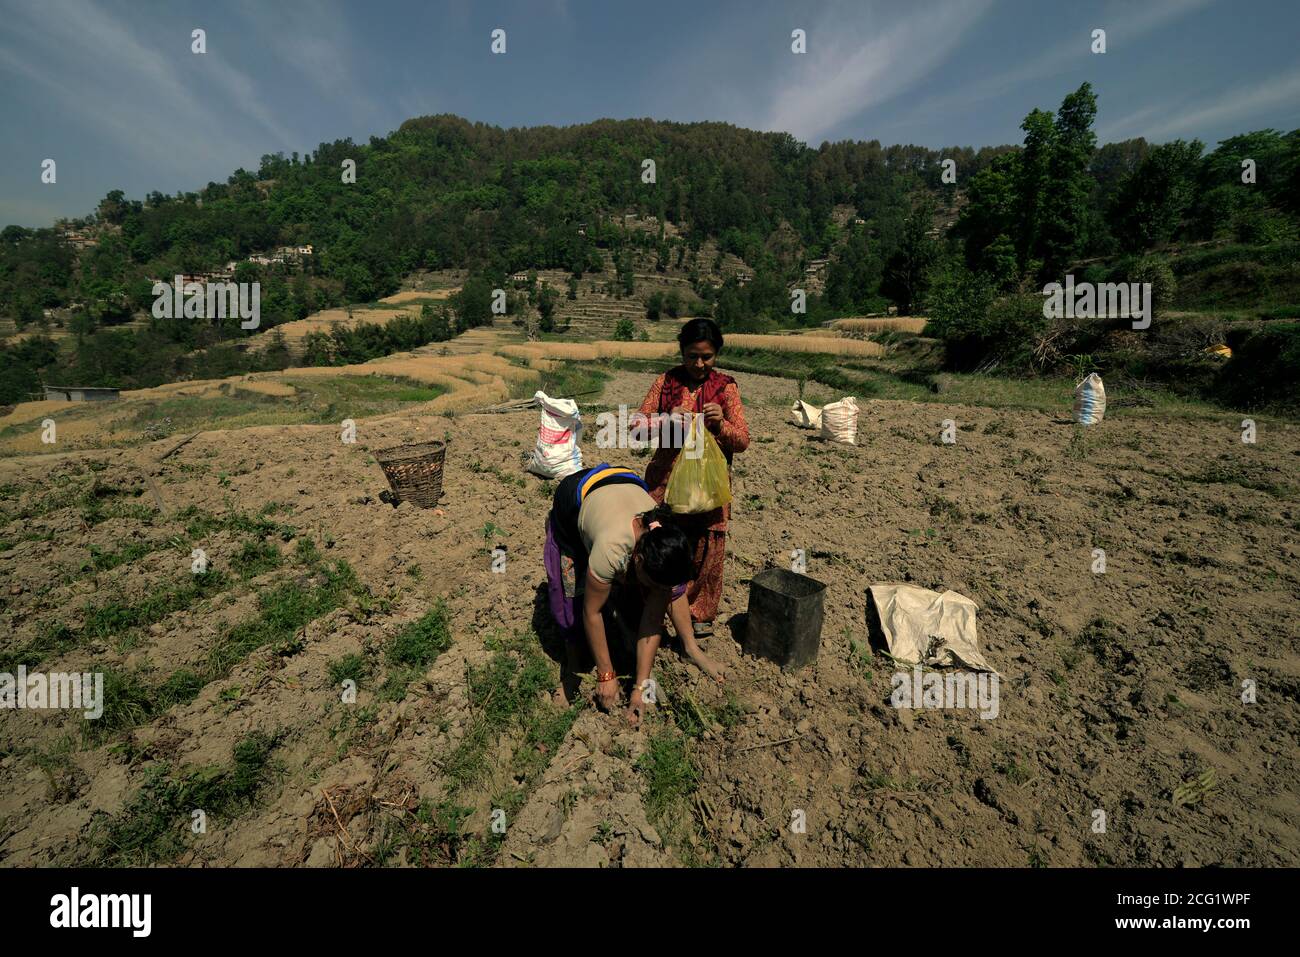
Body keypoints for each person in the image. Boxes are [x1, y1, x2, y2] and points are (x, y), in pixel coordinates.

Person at [543, 462, 724, 726]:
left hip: (623, 480)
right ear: (636, 559)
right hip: (574, 500)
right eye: (652, 584)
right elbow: (591, 613)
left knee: (665, 588)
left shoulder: (663, 536)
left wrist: (639, 690)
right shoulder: (612, 550)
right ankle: (572, 668)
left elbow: (653, 621)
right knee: (570, 599)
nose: (660, 593)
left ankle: (690, 647)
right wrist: (605, 673)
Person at [636, 318, 750, 637]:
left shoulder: (726, 388)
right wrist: (664, 419)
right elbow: (636, 428)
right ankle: (656, 608)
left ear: (717, 355)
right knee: (661, 546)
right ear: (681, 352)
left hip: (707, 487)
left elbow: (742, 441)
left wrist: (720, 425)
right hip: (665, 484)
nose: (699, 364)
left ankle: (698, 613)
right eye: (691, 356)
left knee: (705, 550)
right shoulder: (665, 382)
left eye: (707, 357)